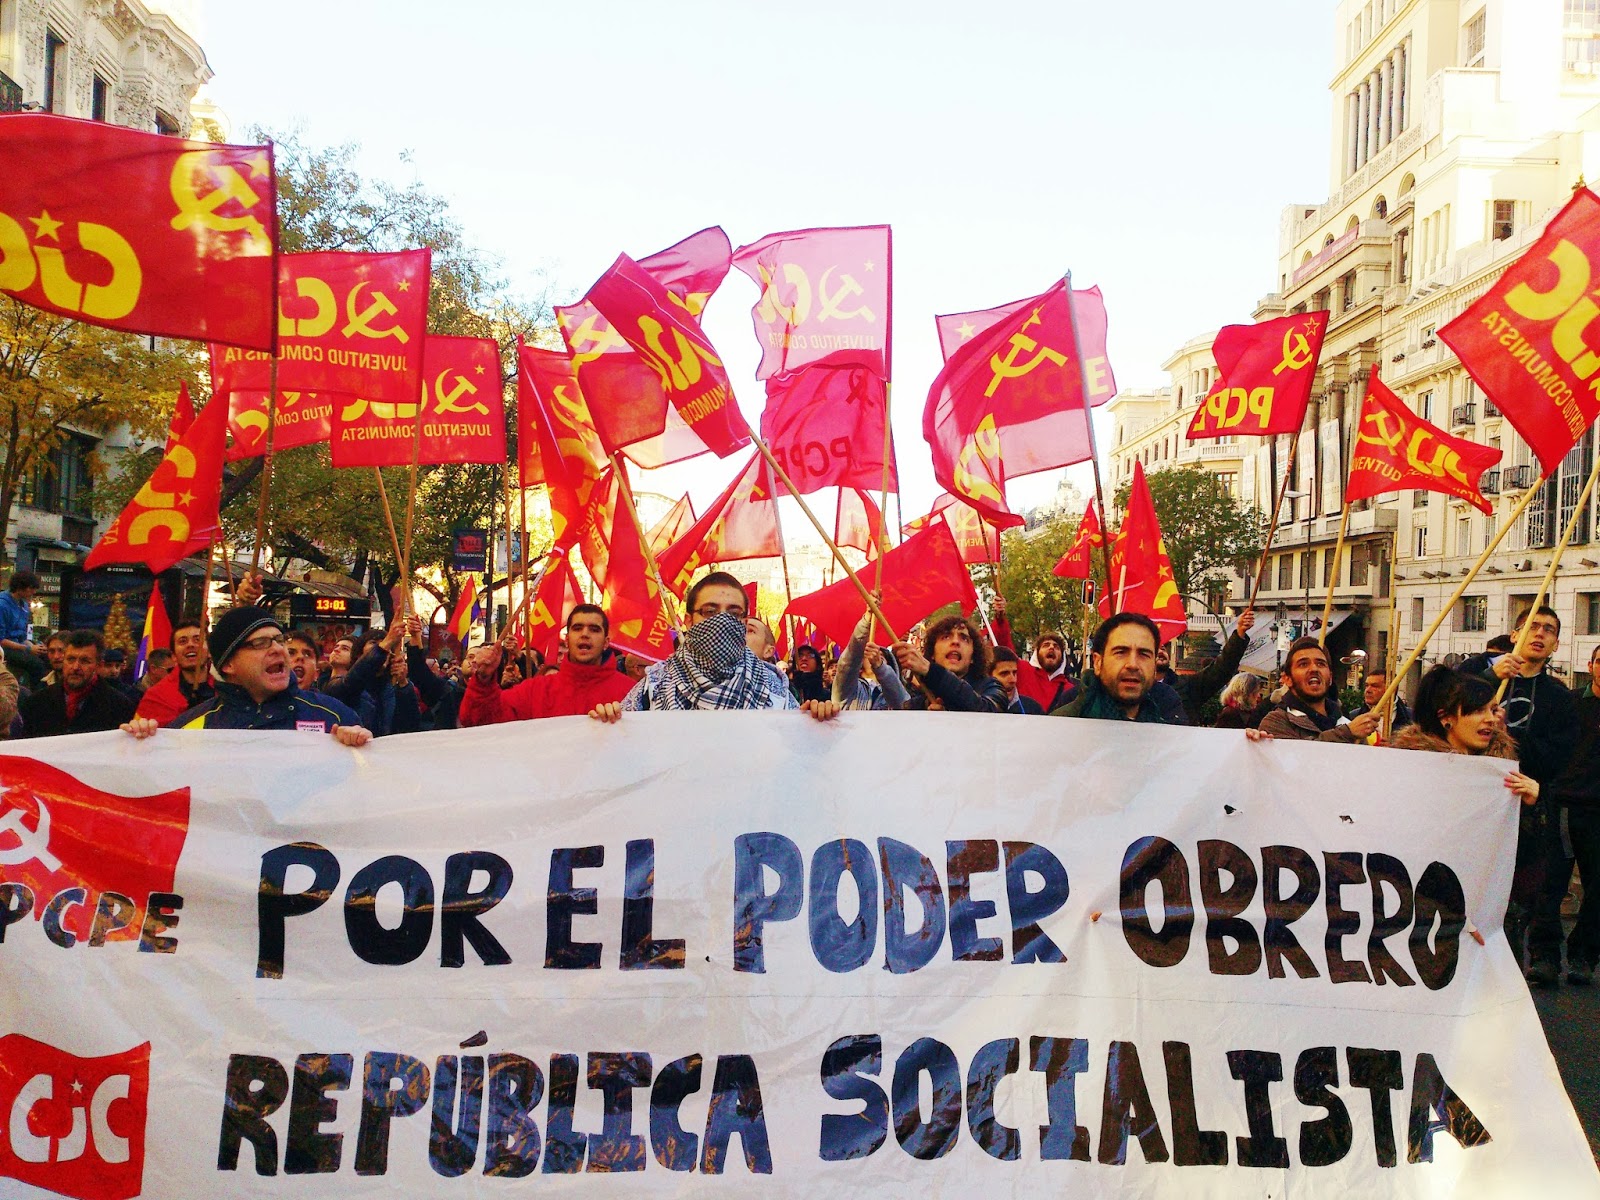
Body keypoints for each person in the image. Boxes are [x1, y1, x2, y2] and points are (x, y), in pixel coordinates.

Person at [1468, 606, 1579, 986]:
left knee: (1534, 886)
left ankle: (1540, 956)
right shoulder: (1483, 678)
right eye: (1533, 625)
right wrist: (1487, 676)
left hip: (1527, 803)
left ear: (1555, 645)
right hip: (1476, 800)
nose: (1540, 633)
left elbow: (1561, 754)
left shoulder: (1559, 698)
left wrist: (1510, 739)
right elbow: (1445, 704)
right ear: (1514, 635)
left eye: (1549, 630)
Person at [601, 572, 839, 720]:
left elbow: (794, 756)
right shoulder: (654, 686)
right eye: (710, 611)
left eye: (733, 613)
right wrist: (609, 721)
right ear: (689, 620)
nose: (722, 620)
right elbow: (625, 754)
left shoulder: (773, 687)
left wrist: (813, 720)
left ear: (744, 621)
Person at [122, 607, 370, 743]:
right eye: (260, 643)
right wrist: (141, 744)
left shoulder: (334, 717)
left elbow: (367, 792)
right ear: (229, 664)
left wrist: (361, 747)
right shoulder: (193, 727)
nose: (276, 649)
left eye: (278, 640)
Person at [461, 605, 634, 724]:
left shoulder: (631, 692)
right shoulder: (535, 690)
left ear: (606, 642)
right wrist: (483, 680)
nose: (585, 634)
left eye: (594, 629)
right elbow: (479, 720)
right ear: (567, 639)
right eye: (577, 628)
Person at [1551, 643, 1600, 985]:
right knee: (1551, 886)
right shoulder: (1571, 703)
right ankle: (1546, 958)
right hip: (1566, 804)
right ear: (1591, 665)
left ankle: (1583, 956)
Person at [1052, 613, 1183, 723]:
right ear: (1098, 662)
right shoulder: (1062, 726)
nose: (1133, 664)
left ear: (1154, 666)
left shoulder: (1169, 732)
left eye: (1144, 654)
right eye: (1120, 652)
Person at [1257, 638, 1380, 743]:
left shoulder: (1346, 722)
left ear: (1330, 678)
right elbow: (1300, 759)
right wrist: (1347, 733)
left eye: (1321, 664)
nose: (1314, 669)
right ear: (1287, 679)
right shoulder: (1275, 722)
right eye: (1303, 664)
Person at [19, 630, 138, 737]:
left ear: (99, 665)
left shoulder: (120, 707)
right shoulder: (36, 703)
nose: (75, 667)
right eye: (70, 659)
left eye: (85, 661)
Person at [1153, 609, 1257, 724]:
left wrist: (1239, 634)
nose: (1161, 652)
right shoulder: (1136, 690)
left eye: (1163, 648)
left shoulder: (1186, 686)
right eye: (1154, 649)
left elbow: (1221, 670)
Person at [893, 614, 1004, 713]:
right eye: (946, 637)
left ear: (973, 657)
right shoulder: (917, 701)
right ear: (932, 653)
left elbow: (987, 712)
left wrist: (931, 671)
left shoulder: (993, 688)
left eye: (964, 639)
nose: (955, 642)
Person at [136, 619, 215, 725]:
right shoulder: (157, 696)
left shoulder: (228, 689)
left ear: (210, 651)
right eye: (183, 641)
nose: (190, 645)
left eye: (197, 640)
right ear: (174, 657)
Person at [833, 609, 911, 711]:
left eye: (882, 656)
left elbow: (903, 703)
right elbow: (848, 664)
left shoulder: (897, 689)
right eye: (868, 653)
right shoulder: (848, 690)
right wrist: (866, 621)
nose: (875, 655)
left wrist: (880, 667)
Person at [0, 571, 48, 687]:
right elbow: (1, 639)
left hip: (19, 644)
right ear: (20, 587)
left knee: (47, 656)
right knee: (36, 665)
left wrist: (32, 646)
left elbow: (23, 635)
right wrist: (27, 649)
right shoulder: (2, 605)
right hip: (5, 648)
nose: (33, 592)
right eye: (31, 588)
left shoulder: (24, 605)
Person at [991, 647, 1043, 714]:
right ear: (987, 676)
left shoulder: (1033, 708)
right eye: (1004, 674)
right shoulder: (977, 708)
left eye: (1014, 673)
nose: (1013, 680)